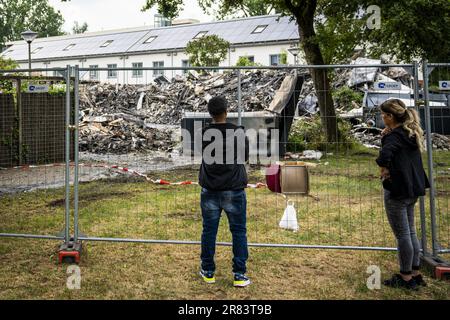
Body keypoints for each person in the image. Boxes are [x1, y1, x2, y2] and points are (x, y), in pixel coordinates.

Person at [376, 98, 430, 290]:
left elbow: (384, 156)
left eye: (383, 115)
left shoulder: (394, 136)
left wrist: (383, 169)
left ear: (390, 116)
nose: (382, 118)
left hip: (397, 189)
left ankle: (405, 277)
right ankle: (415, 272)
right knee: (411, 230)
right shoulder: (410, 133)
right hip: (413, 188)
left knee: (402, 234)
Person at [198, 96, 250, 287]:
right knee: (238, 231)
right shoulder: (238, 133)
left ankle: (208, 270)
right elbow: (244, 157)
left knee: (209, 231)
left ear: (210, 114)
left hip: (210, 189)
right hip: (234, 189)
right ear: (226, 112)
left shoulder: (204, 134)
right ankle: (239, 274)